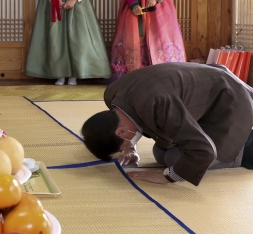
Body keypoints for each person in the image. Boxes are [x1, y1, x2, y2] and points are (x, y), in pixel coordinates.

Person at [81, 63, 253, 186]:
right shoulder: (112, 95)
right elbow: (131, 119)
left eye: (121, 147)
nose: (123, 150)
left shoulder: (156, 102)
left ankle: (240, 148)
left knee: (175, 160)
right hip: (203, 96)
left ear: (121, 131)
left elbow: (203, 150)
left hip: (230, 102)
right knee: (161, 152)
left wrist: (168, 177)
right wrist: (130, 148)